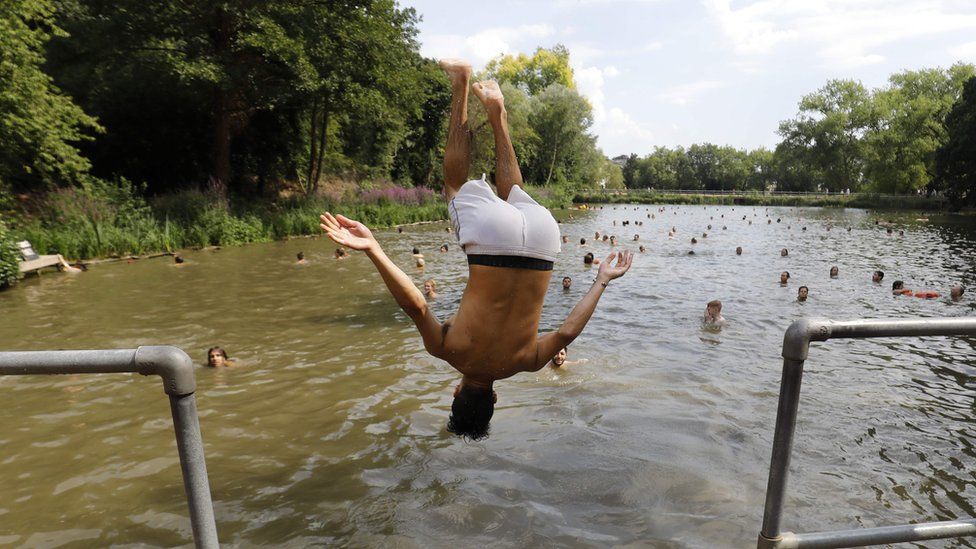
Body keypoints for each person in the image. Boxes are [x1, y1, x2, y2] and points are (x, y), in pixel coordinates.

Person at [320, 60, 633, 440]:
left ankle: (499, 115)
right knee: (453, 184)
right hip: (491, 244)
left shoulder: (528, 363)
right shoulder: (446, 351)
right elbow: (416, 305)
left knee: (515, 196)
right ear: (455, 392)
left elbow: (567, 332)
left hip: (543, 241)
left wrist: (601, 280)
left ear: (495, 400)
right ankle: (460, 83)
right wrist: (373, 248)